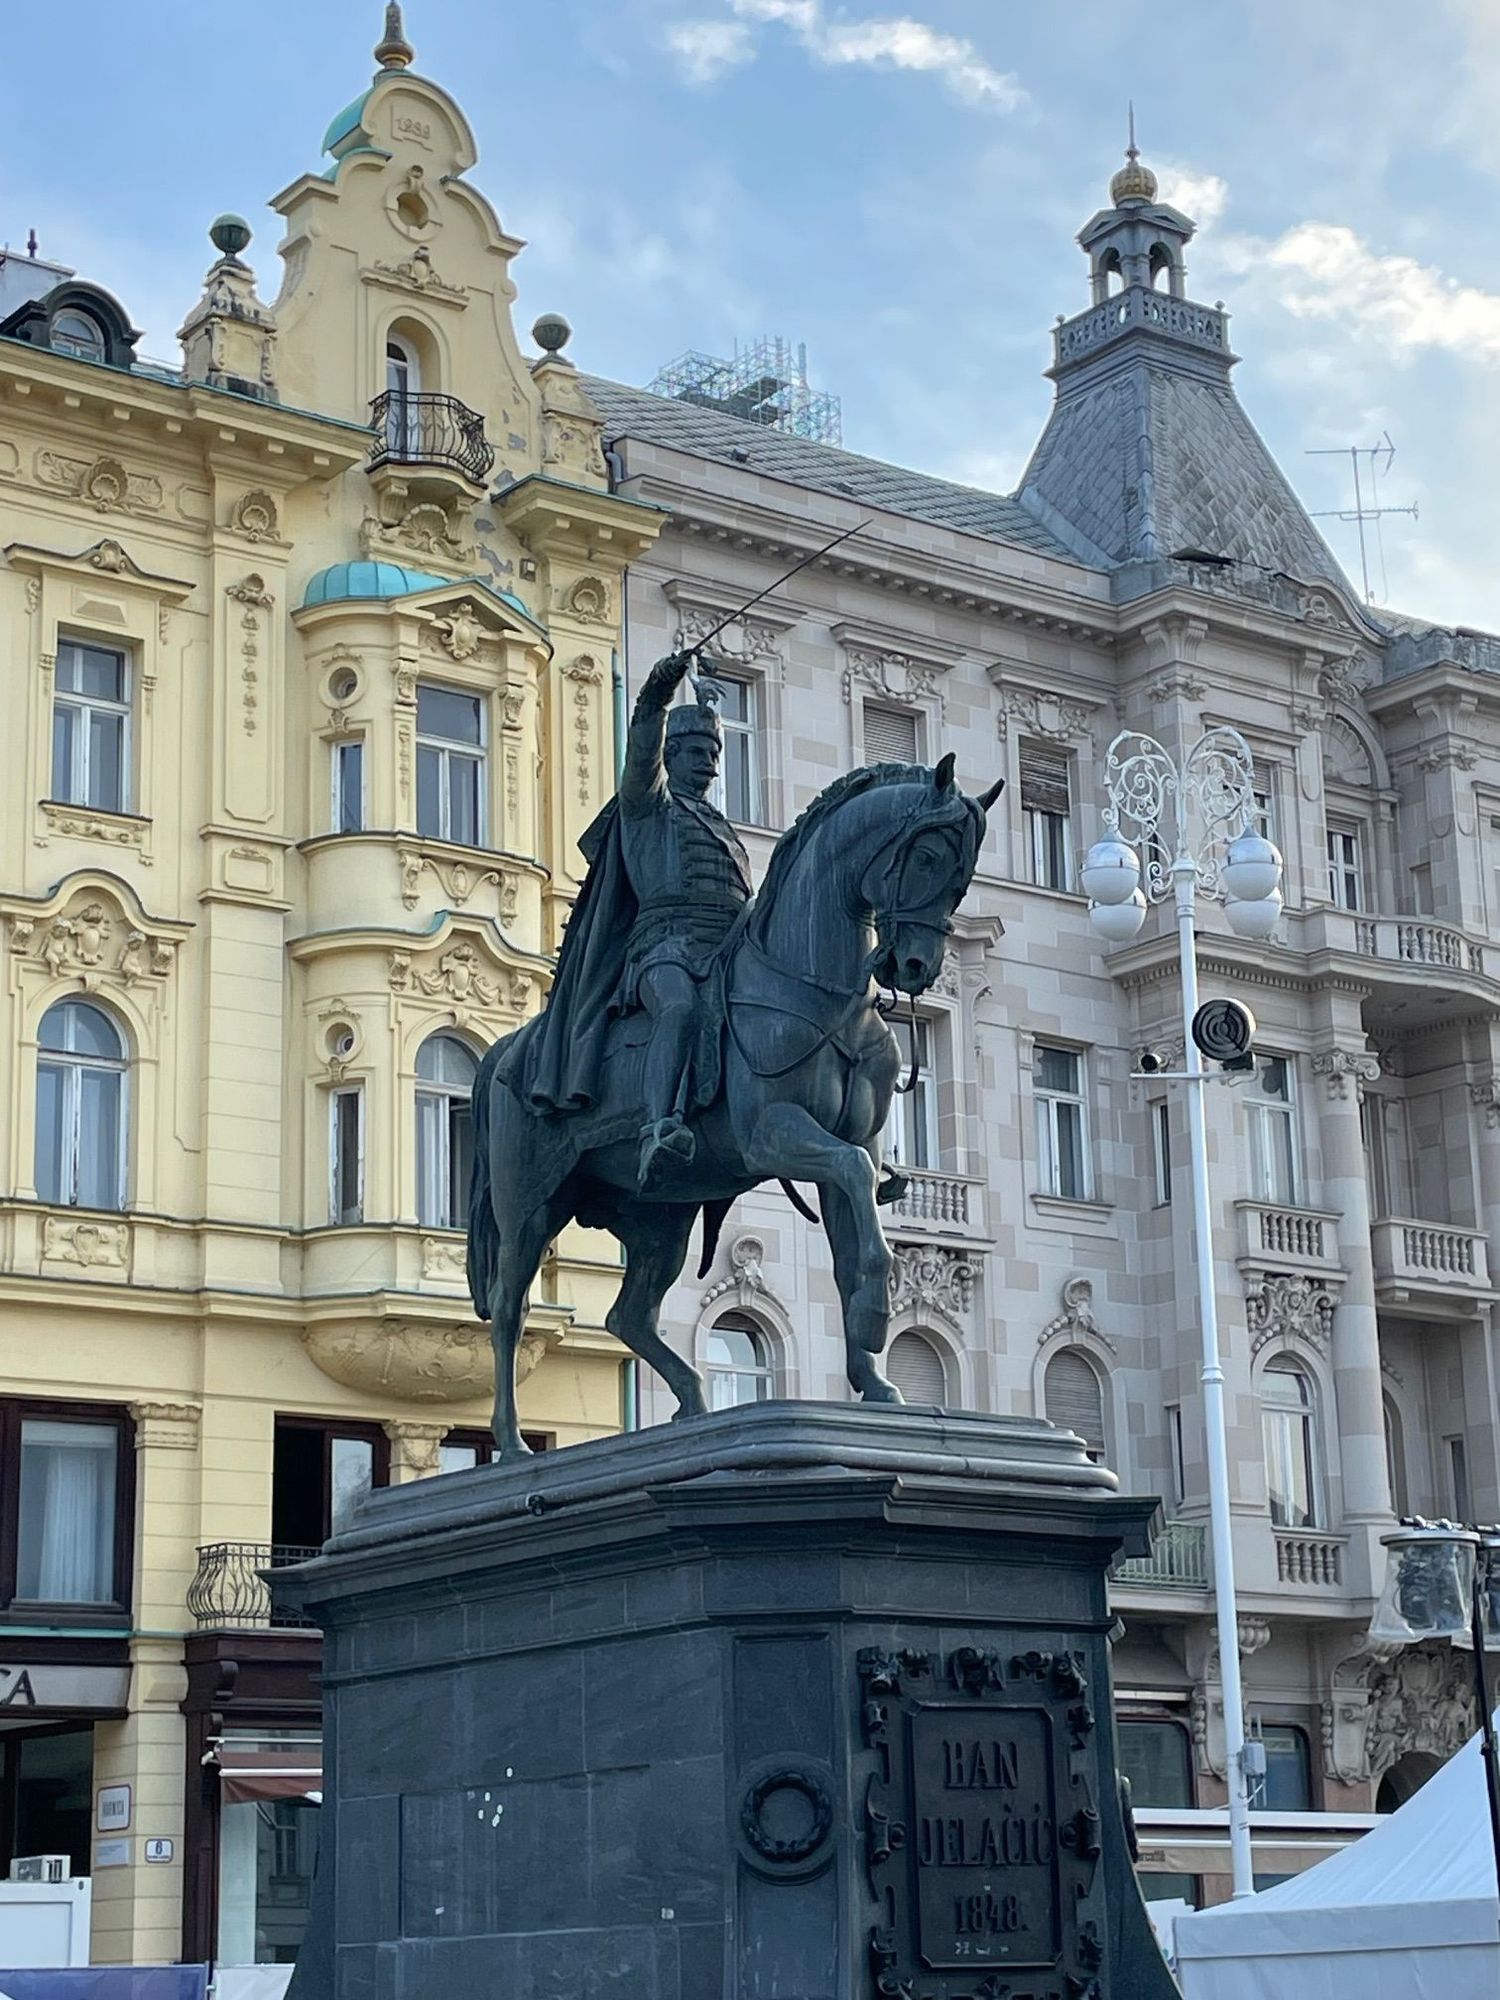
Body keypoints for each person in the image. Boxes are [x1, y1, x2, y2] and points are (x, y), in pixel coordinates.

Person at [506, 650, 752, 1191]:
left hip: (726, 954)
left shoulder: (723, 828)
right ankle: (659, 1127)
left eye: (714, 754)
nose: (710, 765)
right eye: (696, 752)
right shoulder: (648, 804)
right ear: (670, 755)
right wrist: (659, 689)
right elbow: (641, 747)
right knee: (680, 1009)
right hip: (665, 949)